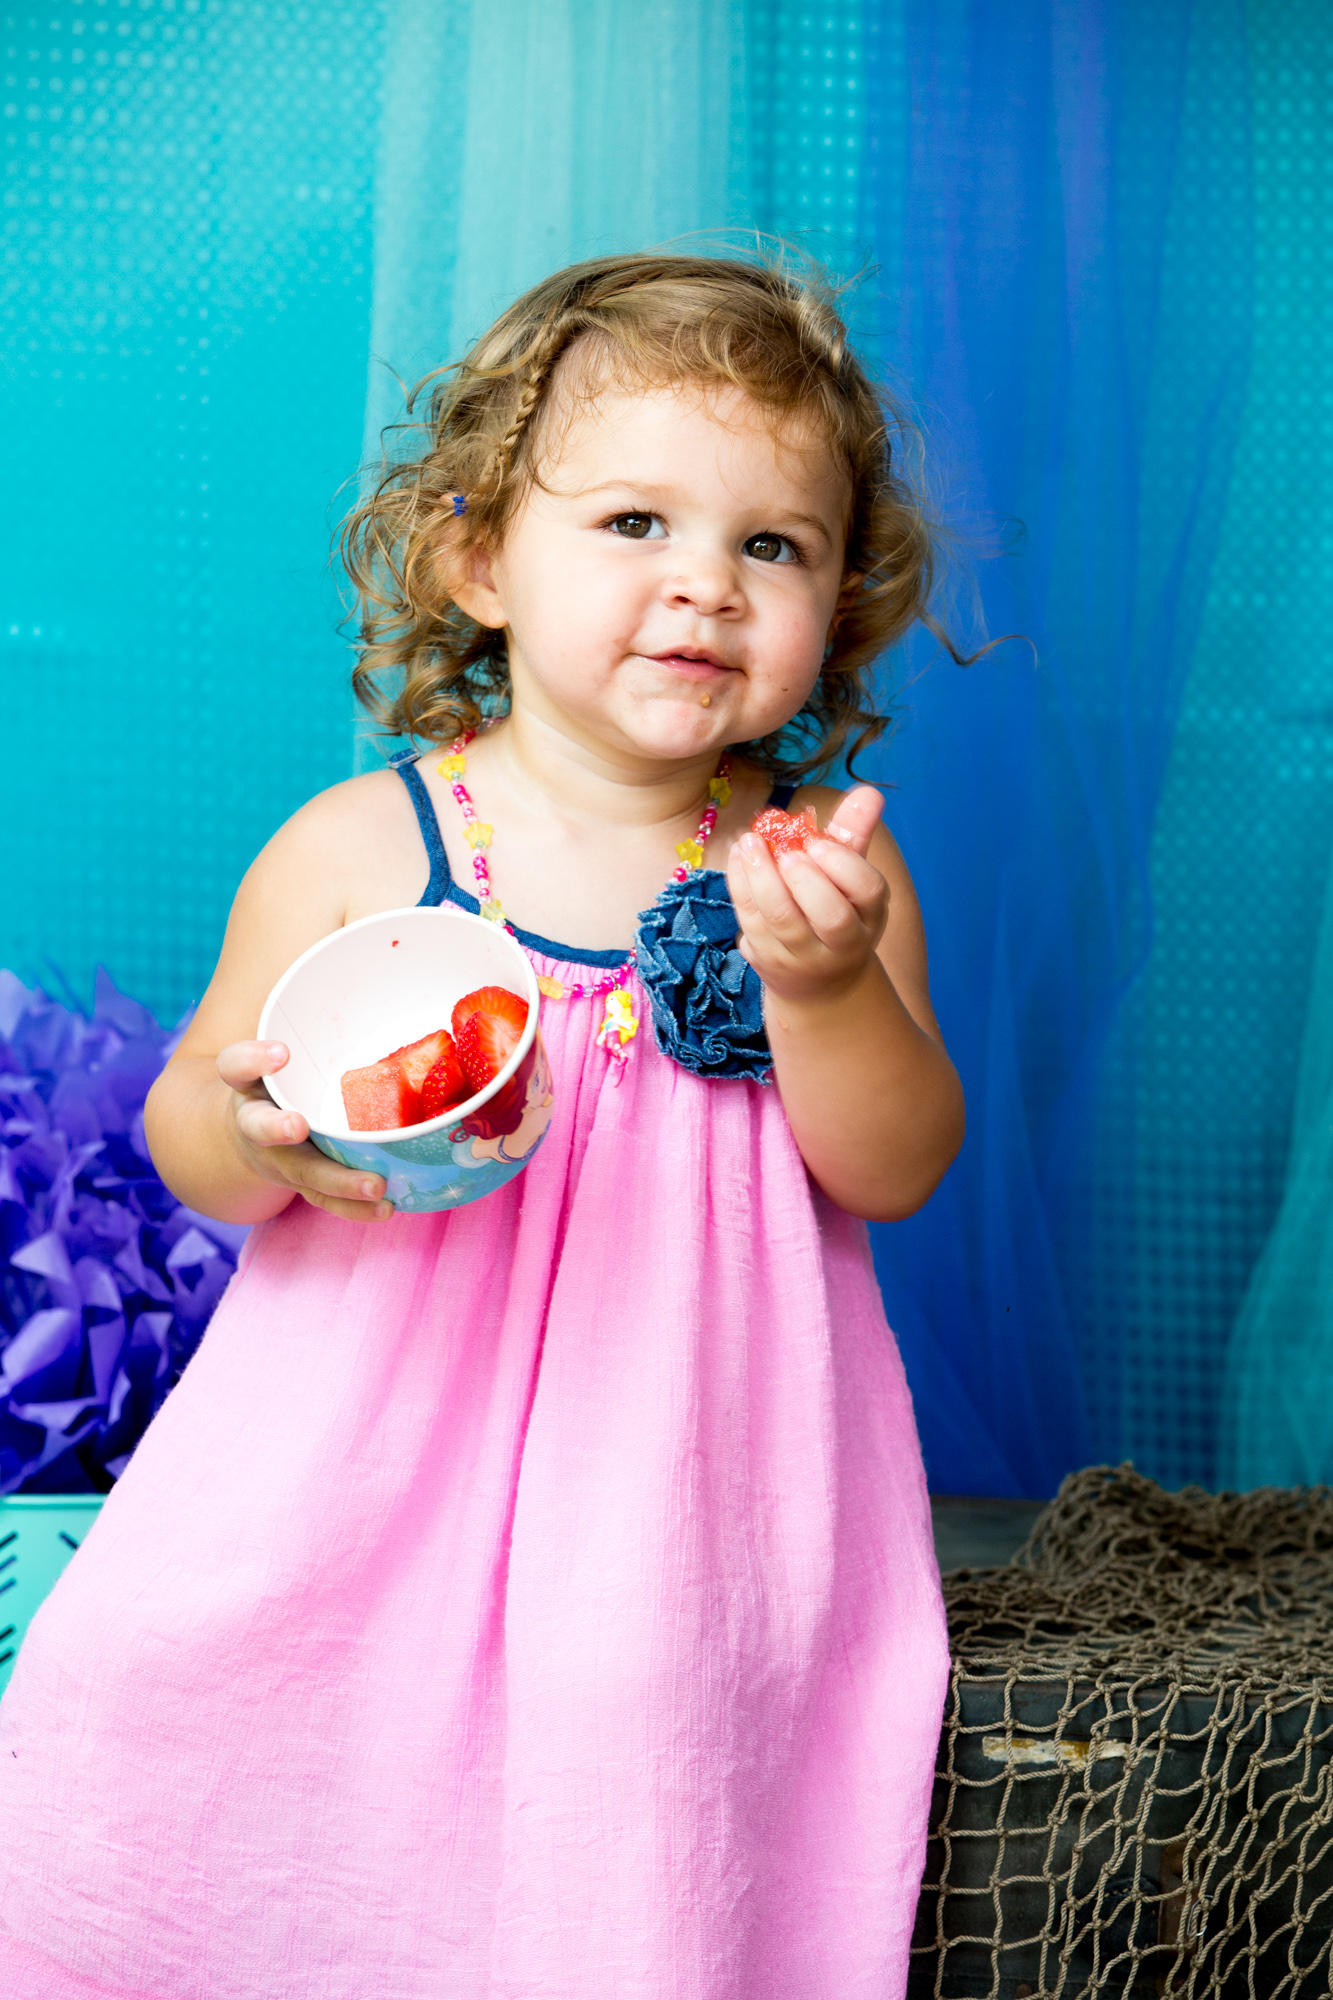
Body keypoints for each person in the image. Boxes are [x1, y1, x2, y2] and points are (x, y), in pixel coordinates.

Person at [0, 252, 964, 1999]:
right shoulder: (363, 847)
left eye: (772, 545)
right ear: (477, 561)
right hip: (345, 1470)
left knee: (626, 1797)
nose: (704, 584)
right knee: (143, 1687)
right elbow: (191, 1127)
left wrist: (821, 987)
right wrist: (258, 1135)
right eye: (633, 523)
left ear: (841, 597)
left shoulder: (818, 869)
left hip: (675, 1493)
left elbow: (892, 1168)